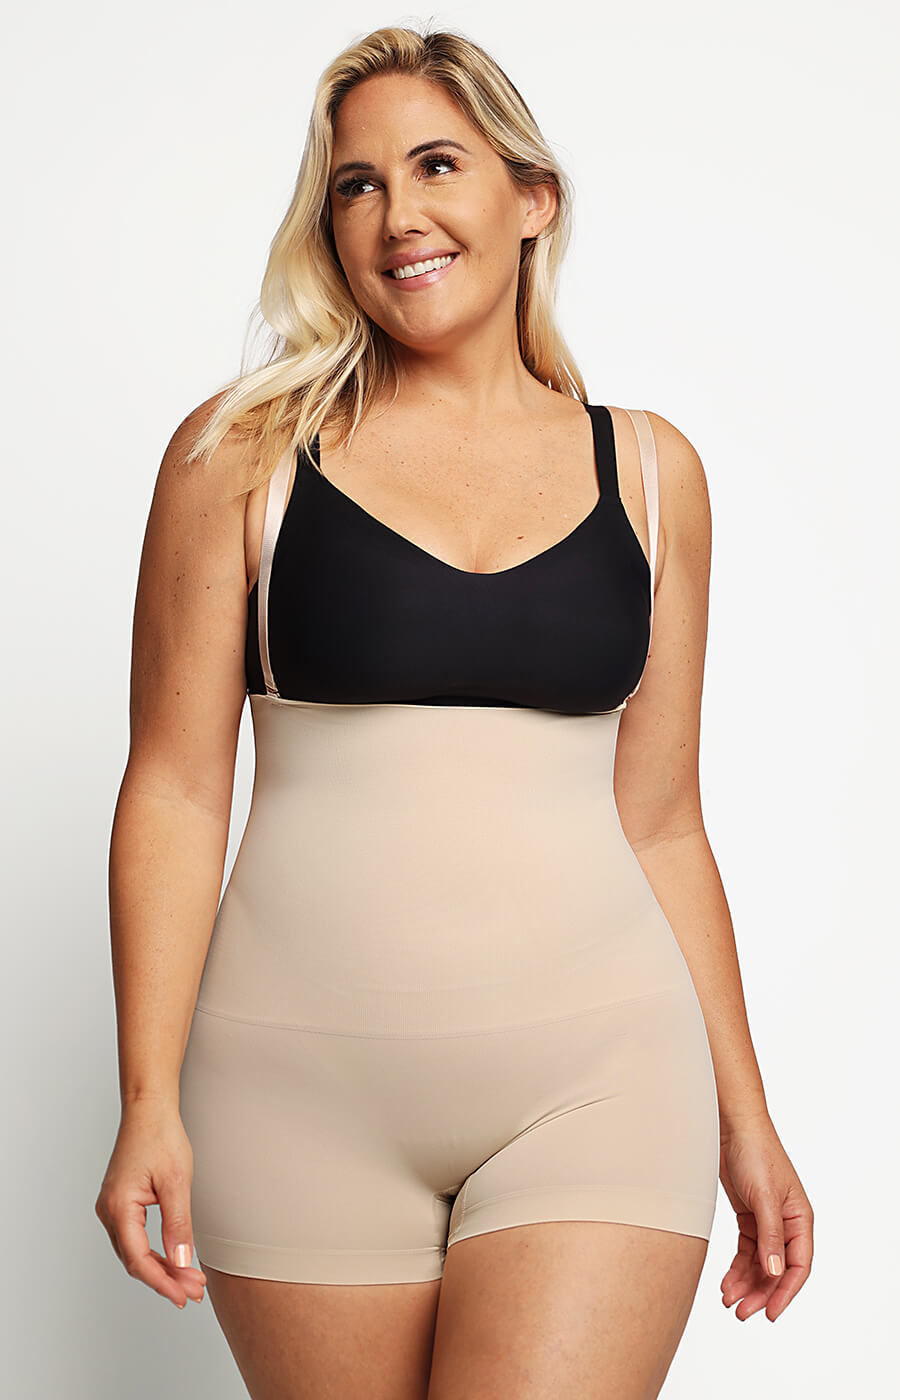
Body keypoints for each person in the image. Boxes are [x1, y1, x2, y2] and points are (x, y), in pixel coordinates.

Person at [94, 22, 814, 1399]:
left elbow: (665, 822)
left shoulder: (652, 475)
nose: (398, 216)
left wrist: (748, 1116)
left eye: (437, 165)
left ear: (532, 197)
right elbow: (176, 789)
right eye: (355, 185)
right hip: (295, 1098)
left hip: (600, 1085)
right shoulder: (241, 457)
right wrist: (147, 1101)